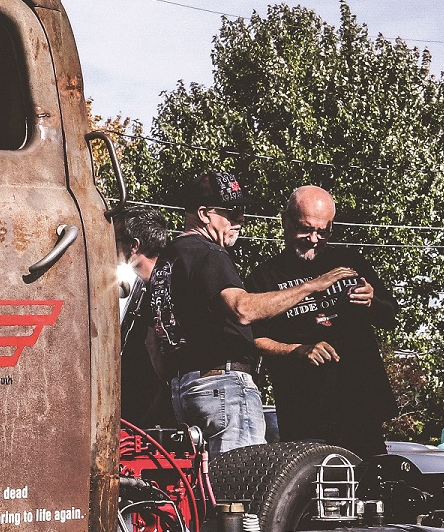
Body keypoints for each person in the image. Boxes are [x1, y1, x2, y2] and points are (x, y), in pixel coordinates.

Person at [148, 170, 356, 454]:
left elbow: (153, 340)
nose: (240, 220)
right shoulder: (209, 253)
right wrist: (311, 286)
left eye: (242, 212)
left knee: (205, 493)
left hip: (183, 390)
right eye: (232, 213)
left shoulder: (167, 261)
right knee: (239, 489)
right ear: (204, 213)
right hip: (223, 389)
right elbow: (242, 309)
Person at [248, 185, 397, 456]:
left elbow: (390, 316)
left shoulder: (350, 261)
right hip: (305, 411)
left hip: (360, 404)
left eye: (323, 232)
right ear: (285, 221)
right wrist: (297, 350)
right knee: (316, 491)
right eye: (305, 229)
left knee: (369, 488)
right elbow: (252, 339)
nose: (314, 239)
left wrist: (372, 301)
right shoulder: (264, 277)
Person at [115, 208, 172, 424]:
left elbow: (161, 358)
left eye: (116, 239)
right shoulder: (146, 286)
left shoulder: (167, 287)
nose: (110, 246)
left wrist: (148, 415)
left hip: (153, 410)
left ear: (134, 245)